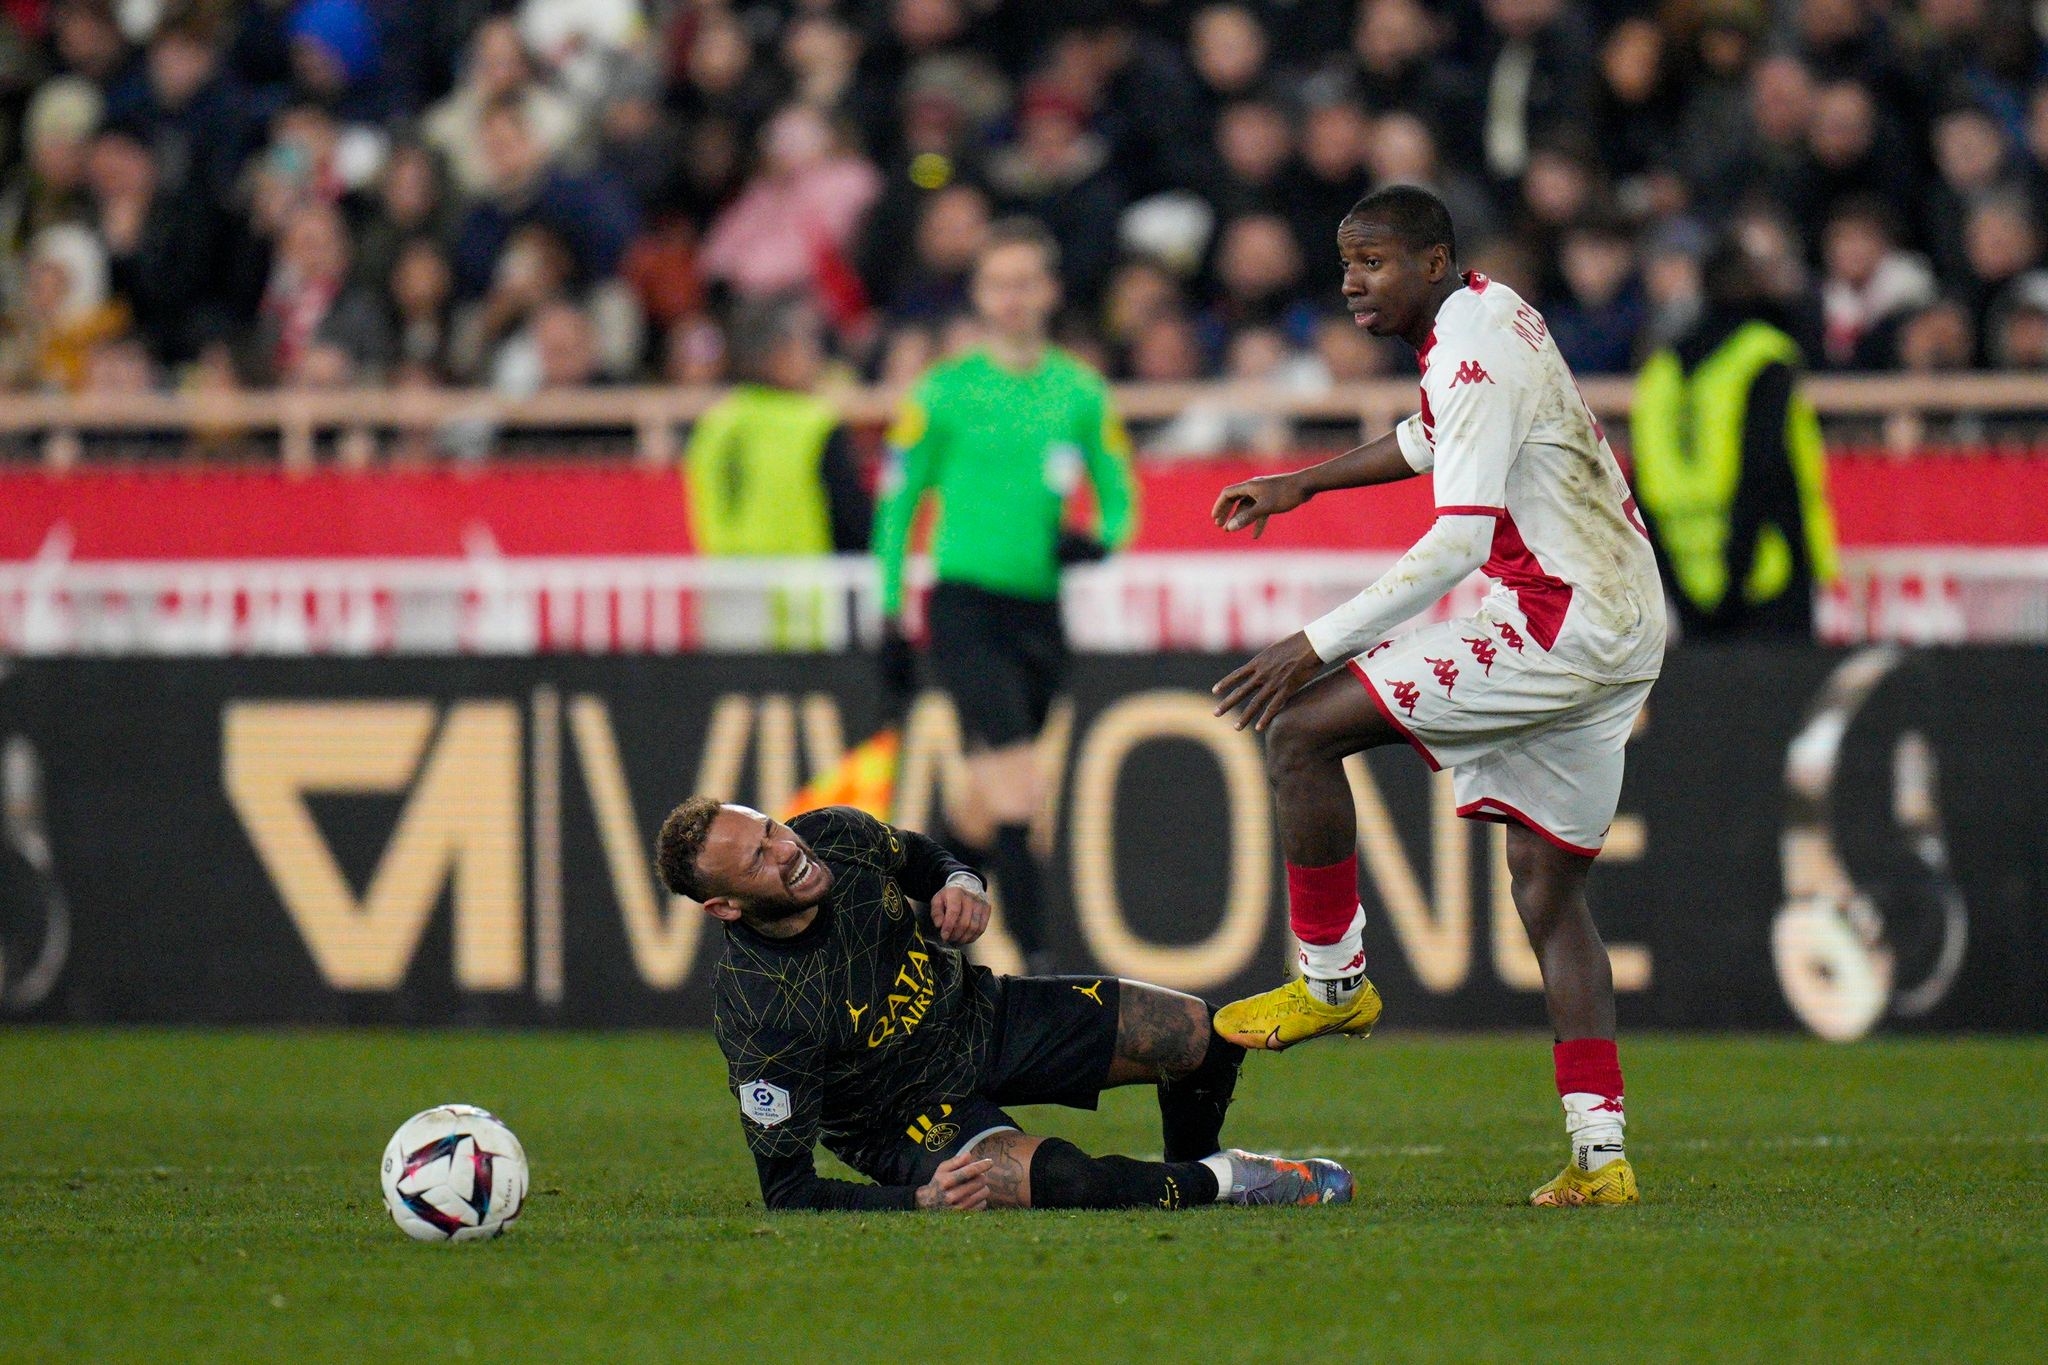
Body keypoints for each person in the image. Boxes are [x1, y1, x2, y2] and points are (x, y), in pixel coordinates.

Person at [1207, 186, 1665, 1208]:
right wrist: (1304, 483)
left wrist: (1313, 642)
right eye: (1342, 263)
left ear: (1429, 260)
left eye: (1369, 261)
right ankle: (1602, 1155)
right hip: (1628, 619)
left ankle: (1332, 984)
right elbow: (1429, 438)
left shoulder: (1466, 348)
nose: (1349, 282)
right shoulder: (1490, 309)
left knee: (1295, 732)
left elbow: (1458, 541)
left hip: (1559, 617)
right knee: (1546, 891)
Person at [654, 798, 1352, 1212]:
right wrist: (918, 1199)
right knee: (1065, 1178)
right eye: (757, 859)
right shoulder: (757, 1010)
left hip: (981, 1015)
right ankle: (1231, 1181)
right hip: (909, 1119)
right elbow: (789, 1189)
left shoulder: (834, 834)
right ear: (724, 905)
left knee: (1195, 1030)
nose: (787, 849)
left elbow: (920, 855)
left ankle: (1195, 1163)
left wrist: (962, 880)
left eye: (770, 827)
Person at [872, 218, 1137, 974]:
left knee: (982, 804)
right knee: (1022, 794)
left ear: (1049, 290)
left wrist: (1099, 539)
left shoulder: (1079, 392)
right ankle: (1044, 965)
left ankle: (903, 933)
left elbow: (1122, 492)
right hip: (963, 609)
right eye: (999, 283)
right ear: (980, 295)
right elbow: (898, 507)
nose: (1014, 297)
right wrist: (891, 608)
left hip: (1039, 616)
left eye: (1027, 281)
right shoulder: (944, 391)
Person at [1632, 235, 1838, 639]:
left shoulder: (1660, 370)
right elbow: (1763, 474)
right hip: (1769, 576)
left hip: (1686, 577)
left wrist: (1680, 590)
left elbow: (1642, 484)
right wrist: (1736, 576)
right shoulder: (1764, 357)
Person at [684, 295, 870, 556]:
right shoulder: (814, 424)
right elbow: (851, 519)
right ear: (780, 355)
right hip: (801, 591)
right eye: (806, 347)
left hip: (728, 585)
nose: (814, 360)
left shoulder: (714, 423)